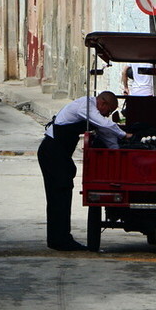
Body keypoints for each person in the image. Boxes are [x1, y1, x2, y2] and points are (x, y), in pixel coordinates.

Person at [38, 90, 130, 251]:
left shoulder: (94, 114)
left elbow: (106, 134)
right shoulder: (86, 105)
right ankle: (60, 240)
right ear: (103, 103)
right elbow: (104, 124)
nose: (107, 115)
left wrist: (118, 152)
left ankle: (58, 238)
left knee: (62, 194)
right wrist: (124, 135)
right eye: (108, 111)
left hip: (60, 154)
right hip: (52, 151)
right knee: (58, 195)